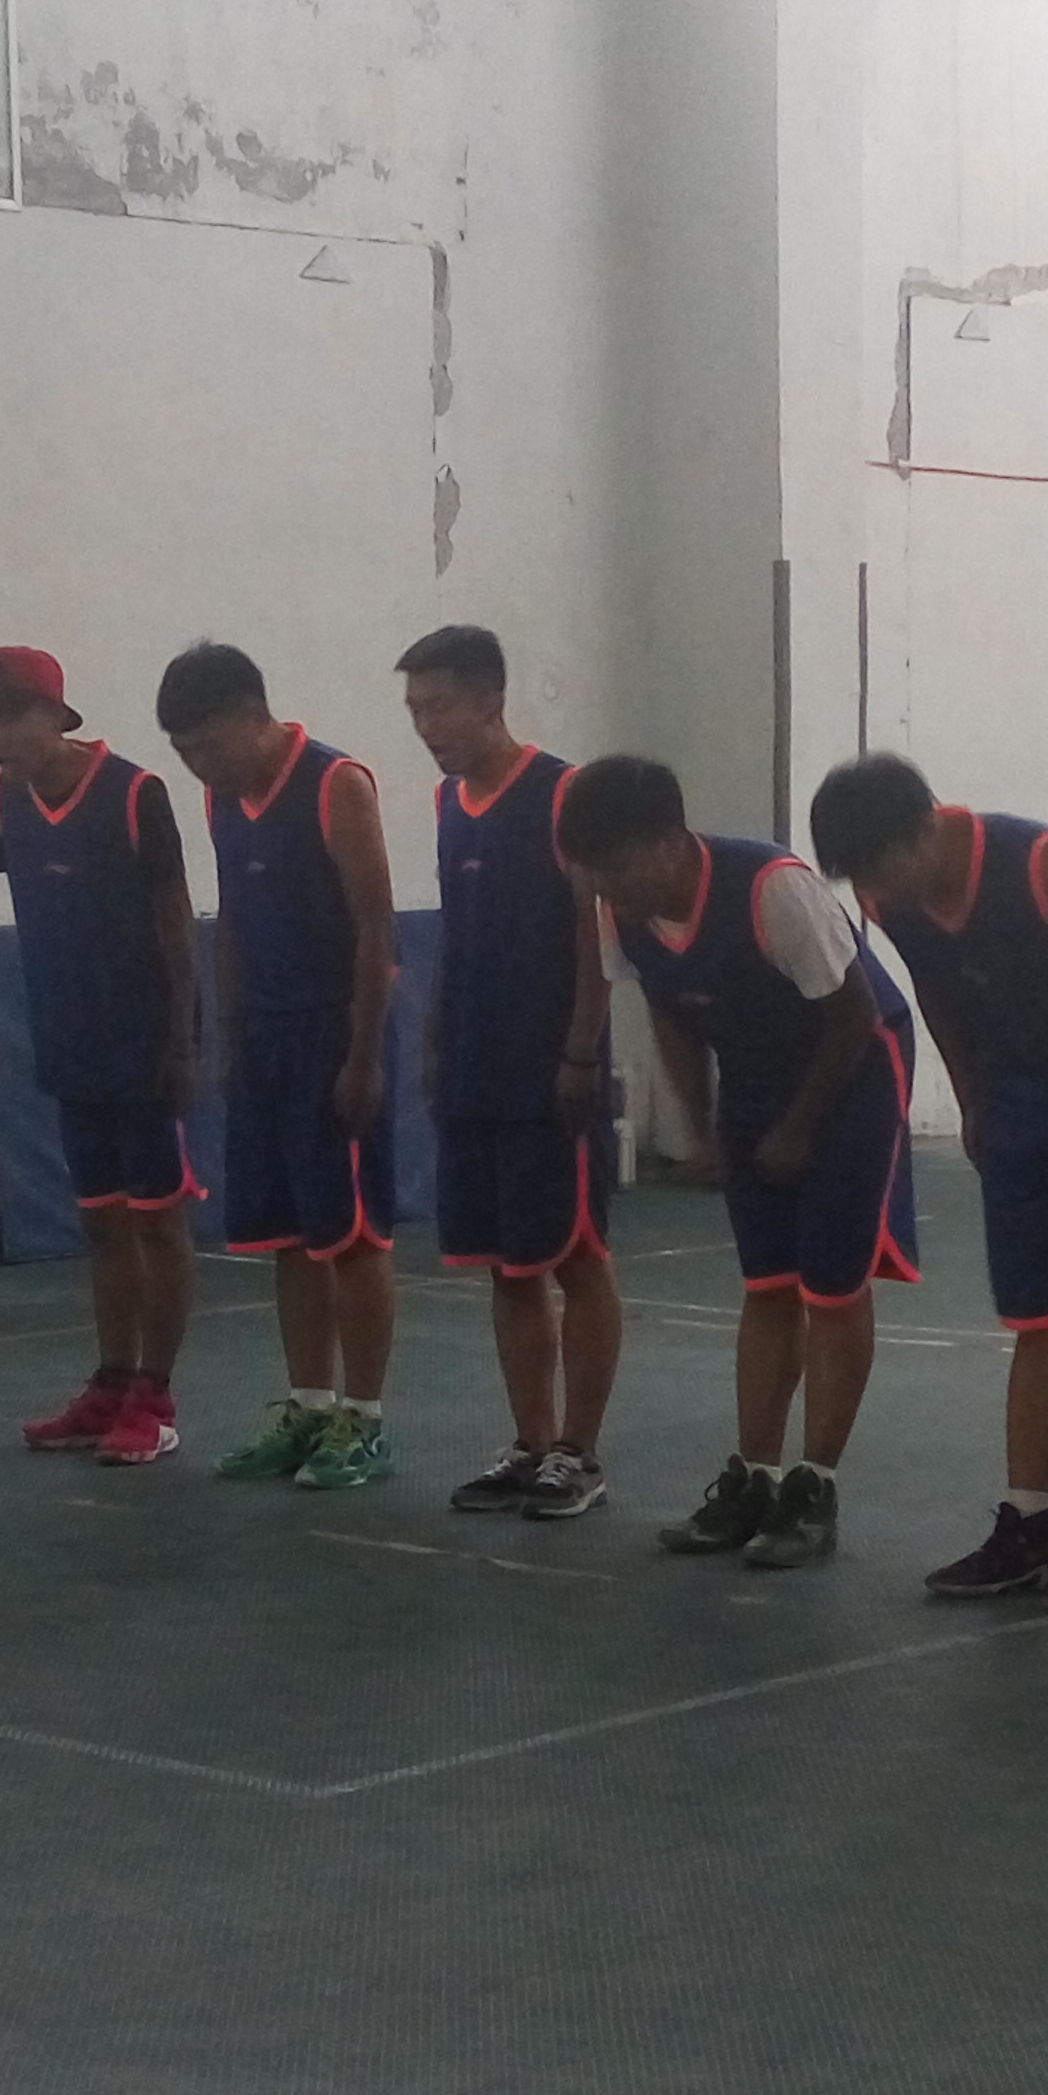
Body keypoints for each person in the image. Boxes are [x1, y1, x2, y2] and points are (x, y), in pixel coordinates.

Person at [813, 752, 1048, 1615]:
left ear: (925, 828)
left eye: (881, 869)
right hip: (1020, 1106)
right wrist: (974, 1099)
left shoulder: (1046, 868)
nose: (876, 892)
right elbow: (937, 995)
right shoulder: (889, 896)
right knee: (1038, 1320)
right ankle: (1026, 1523)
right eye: (863, 880)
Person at [557, 753, 918, 1571]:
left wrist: (798, 1128)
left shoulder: (772, 890)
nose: (603, 887)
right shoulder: (623, 912)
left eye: (613, 866)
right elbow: (670, 1010)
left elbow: (854, 1016)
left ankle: (814, 1487)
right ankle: (754, 1475)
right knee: (766, 1282)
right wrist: (699, 1126)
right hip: (756, 1074)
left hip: (852, 1069)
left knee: (831, 1283)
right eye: (591, 872)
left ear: (667, 841)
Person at [153, 642, 402, 1491]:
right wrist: (228, 1036)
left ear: (253, 717)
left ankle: (365, 1419)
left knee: (353, 1236)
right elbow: (232, 918)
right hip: (264, 1037)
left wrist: (363, 1055)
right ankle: (309, 1404)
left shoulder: (337, 785)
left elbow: (376, 926)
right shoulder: (222, 799)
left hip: (333, 1033)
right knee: (291, 1236)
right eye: (183, 753)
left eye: (207, 746)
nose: (198, 766)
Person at [404, 626, 626, 1521]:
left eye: (440, 707)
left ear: (492, 700)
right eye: (415, 711)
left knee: (577, 1254)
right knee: (508, 1264)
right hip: (475, 1062)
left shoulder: (565, 794)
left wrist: (580, 1050)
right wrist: (433, 1041)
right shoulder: (449, 802)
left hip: (550, 1068)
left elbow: (594, 936)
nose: (427, 726)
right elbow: (455, 935)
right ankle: (531, 1442)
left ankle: (580, 1451)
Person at [0, 645, 196, 1467]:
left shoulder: (135, 795)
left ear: (56, 716)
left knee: (157, 1221)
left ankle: (155, 1399)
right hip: (69, 1042)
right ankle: (110, 1383)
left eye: (14, 718)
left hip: (143, 1046)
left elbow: (175, 924)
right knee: (101, 1222)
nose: (0, 737)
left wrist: (182, 1040)